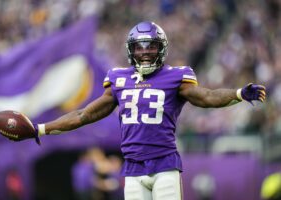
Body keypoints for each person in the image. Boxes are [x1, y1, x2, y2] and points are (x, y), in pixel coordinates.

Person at [14, 21, 266, 200]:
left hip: (165, 166)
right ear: (130, 50)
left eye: (151, 46)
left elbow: (207, 97)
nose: (145, 53)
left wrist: (238, 94)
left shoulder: (176, 76)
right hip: (133, 168)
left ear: (162, 48)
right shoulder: (118, 79)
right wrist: (41, 128)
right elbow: (83, 115)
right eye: (139, 47)